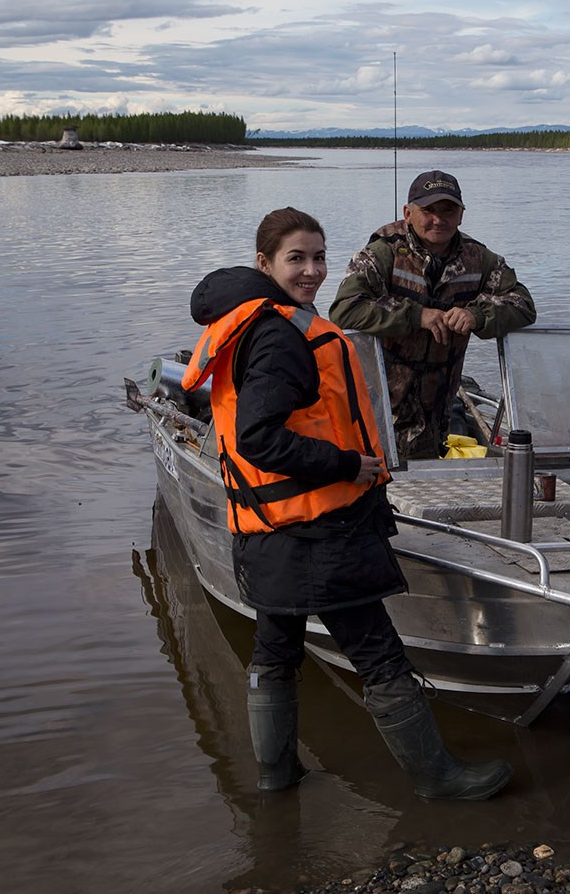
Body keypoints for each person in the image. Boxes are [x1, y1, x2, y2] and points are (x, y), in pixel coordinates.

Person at [181, 207, 512, 800]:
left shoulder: (255, 323)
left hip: (266, 523)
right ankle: (440, 780)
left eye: (318, 257)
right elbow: (259, 436)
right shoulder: (280, 335)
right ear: (264, 264)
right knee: (378, 653)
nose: (312, 271)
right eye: (296, 259)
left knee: (275, 649)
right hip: (316, 527)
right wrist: (345, 464)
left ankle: (275, 778)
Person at [329, 170, 536, 460]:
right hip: (379, 406)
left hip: (439, 406)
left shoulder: (480, 259)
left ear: (461, 215)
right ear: (408, 212)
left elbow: (523, 304)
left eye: (448, 210)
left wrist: (477, 315)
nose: (438, 219)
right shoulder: (381, 253)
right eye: (428, 210)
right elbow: (345, 308)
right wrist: (417, 316)